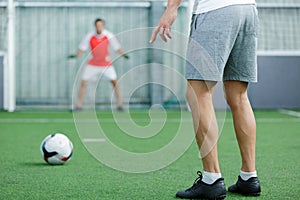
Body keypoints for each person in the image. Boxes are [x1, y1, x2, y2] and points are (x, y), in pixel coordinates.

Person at [150, 0, 261, 199]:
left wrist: (171, 7)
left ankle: (211, 179)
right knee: (239, 96)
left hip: (216, 10)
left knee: (198, 92)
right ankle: (249, 177)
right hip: (248, 10)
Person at [72, 18, 128, 111]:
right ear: (95, 26)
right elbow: (82, 48)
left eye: (101, 25)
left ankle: (119, 105)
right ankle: (79, 105)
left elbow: (117, 47)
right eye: (97, 25)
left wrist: (124, 54)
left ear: (103, 26)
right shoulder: (90, 36)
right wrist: (76, 55)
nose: (99, 27)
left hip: (106, 64)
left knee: (114, 82)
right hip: (92, 64)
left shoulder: (109, 35)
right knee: (83, 82)